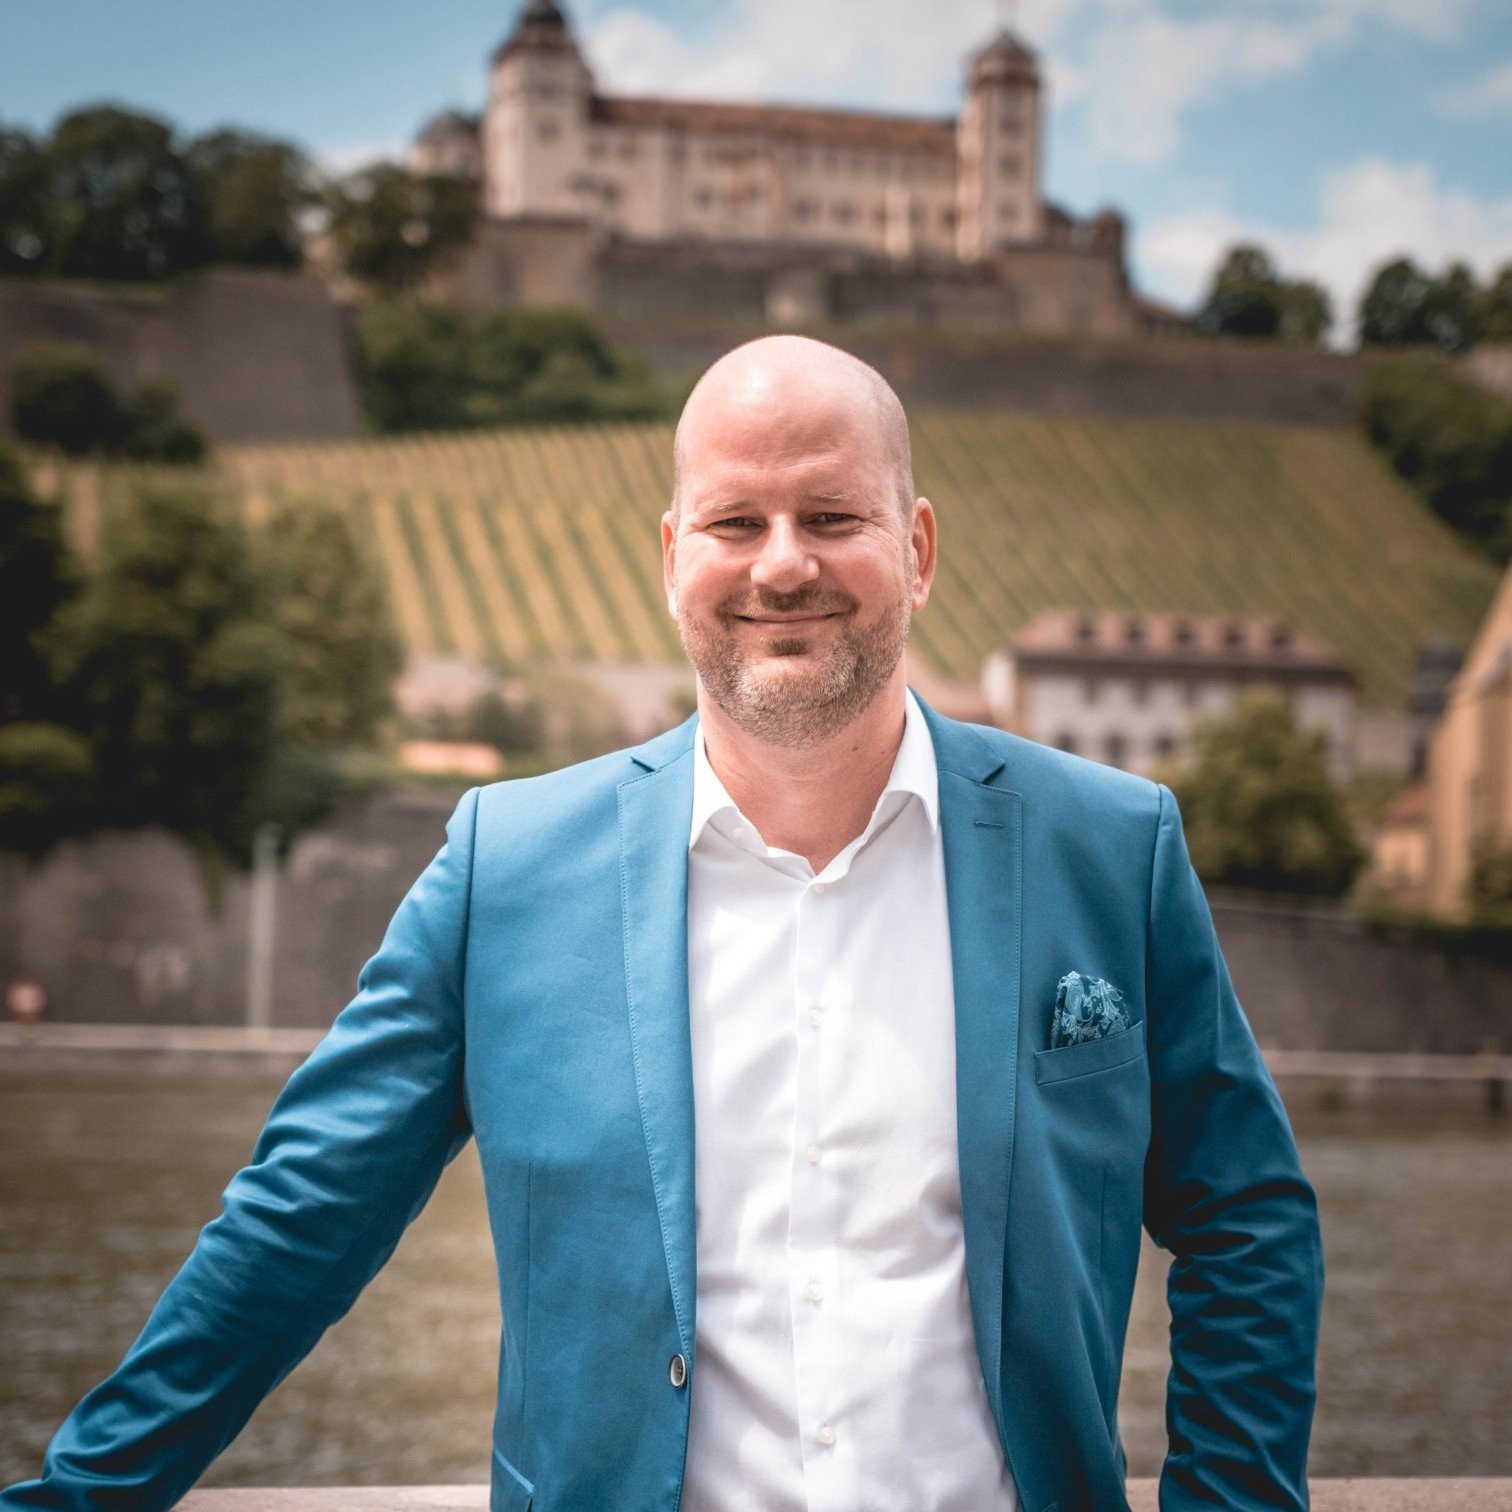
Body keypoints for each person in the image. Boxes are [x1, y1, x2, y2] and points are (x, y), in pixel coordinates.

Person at [3, 335, 1323, 1512]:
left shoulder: (1109, 841)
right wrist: (83, 1499)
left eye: (831, 515)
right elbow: (300, 1222)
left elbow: (1245, 1213)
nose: (784, 563)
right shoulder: (503, 865)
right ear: (672, 556)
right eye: (735, 521)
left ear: (915, 549)